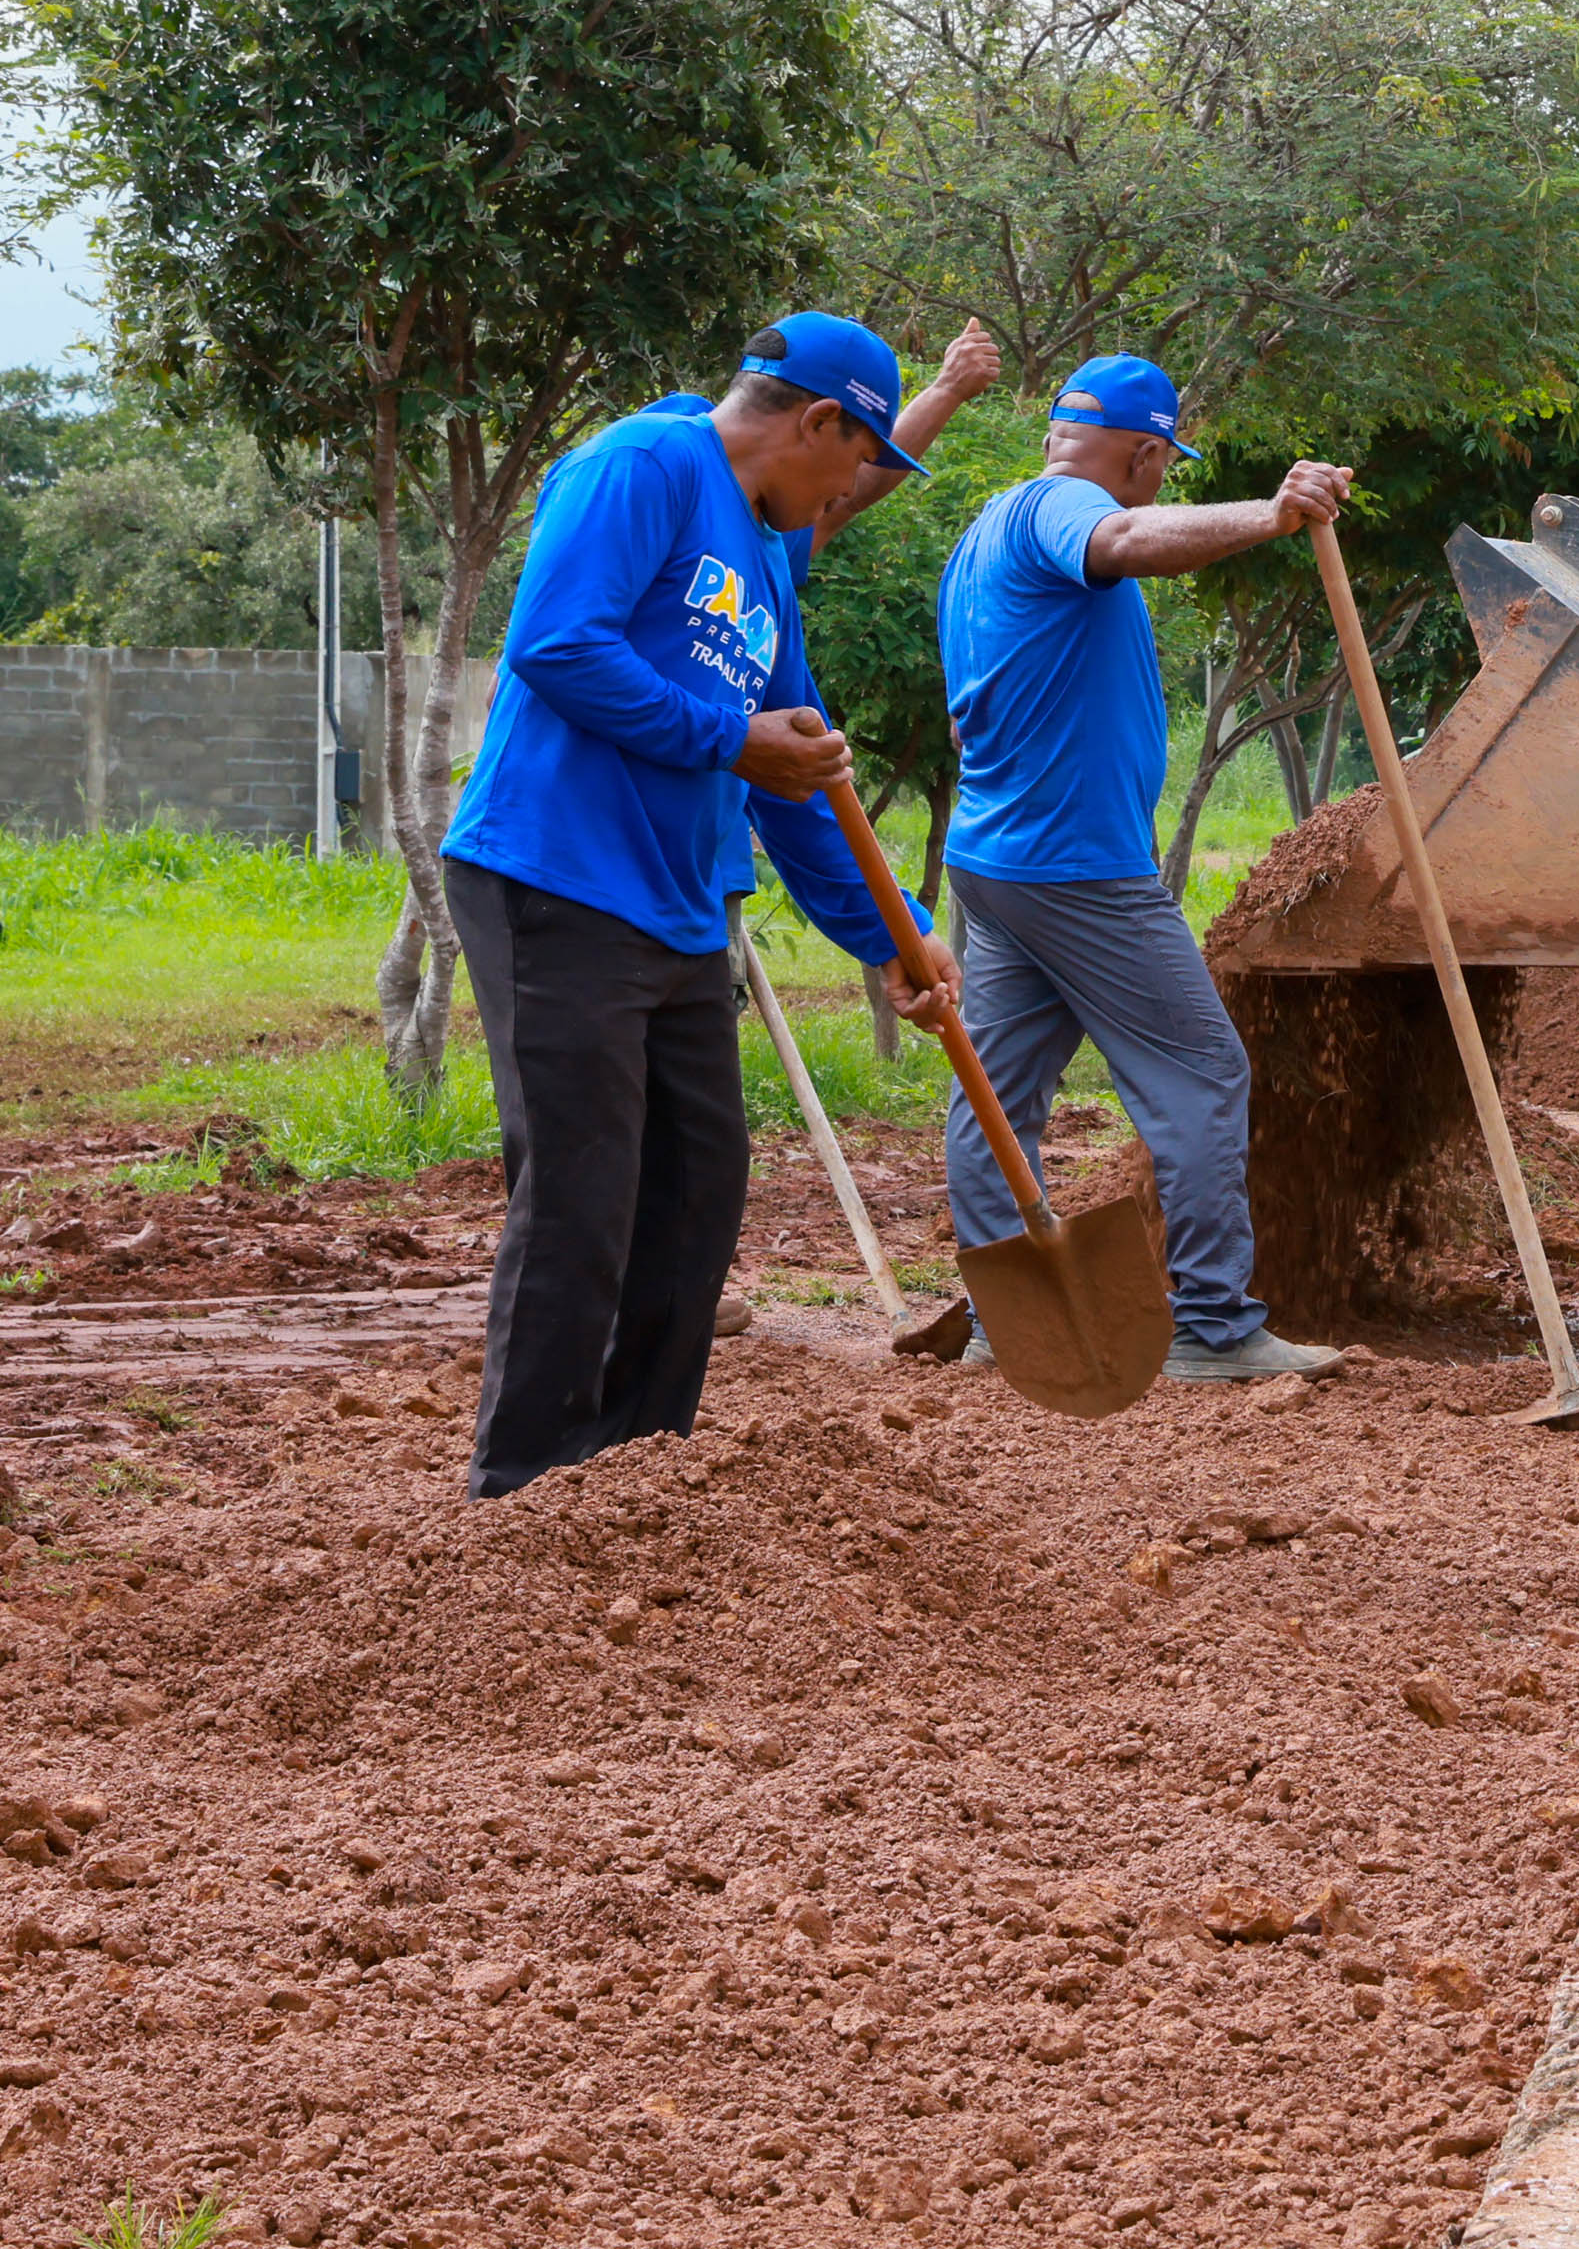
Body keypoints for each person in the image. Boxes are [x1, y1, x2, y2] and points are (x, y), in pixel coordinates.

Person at [442, 313, 998, 1497]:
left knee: (697, 1193)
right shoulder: (644, 464)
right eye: (858, 462)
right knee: (584, 1198)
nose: (853, 490)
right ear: (815, 422)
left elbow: (801, 775)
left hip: (677, 904)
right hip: (554, 876)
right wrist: (726, 738)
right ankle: (523, 1493)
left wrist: (891, 931)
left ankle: (637, 1477)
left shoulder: (767, 561)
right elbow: (556, 644)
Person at [932, 353, 1355, 1381]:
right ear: (1148, 451)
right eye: (1164, 466)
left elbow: (959, 711)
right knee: (1204, 1073)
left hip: (994, 859)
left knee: (998, 1091)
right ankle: (1214, 1325)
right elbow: (1124, 538)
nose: (1160, 482)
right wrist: (1272, 514)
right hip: (1078, 870)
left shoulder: (978, 536)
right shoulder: (1065, 513)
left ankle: (1006, 1325)